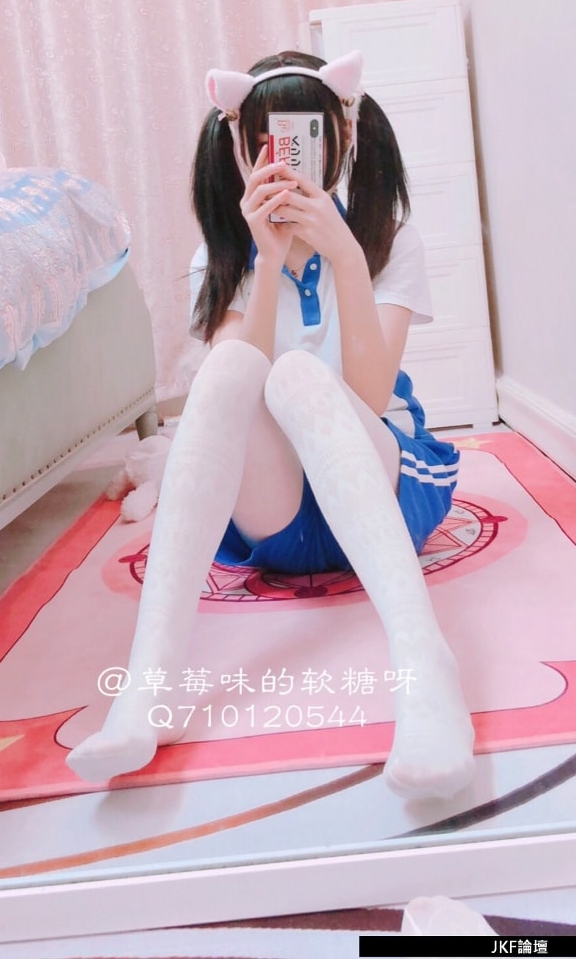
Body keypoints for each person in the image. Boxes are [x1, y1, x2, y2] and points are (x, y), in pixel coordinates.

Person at [67, 49, 475, 800]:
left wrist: (345, 256)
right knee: (233, 367)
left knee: (298, 376)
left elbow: (368, 393)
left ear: (340, 138)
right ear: (239, 151)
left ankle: (427, 672)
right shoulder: (222, 256)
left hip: (382, 498)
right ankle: (152, 686)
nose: (284, 161)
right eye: (265, 144)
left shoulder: (389, 240)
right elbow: (232, 392)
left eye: (300, 139)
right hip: (280, 523)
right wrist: (264, 259)